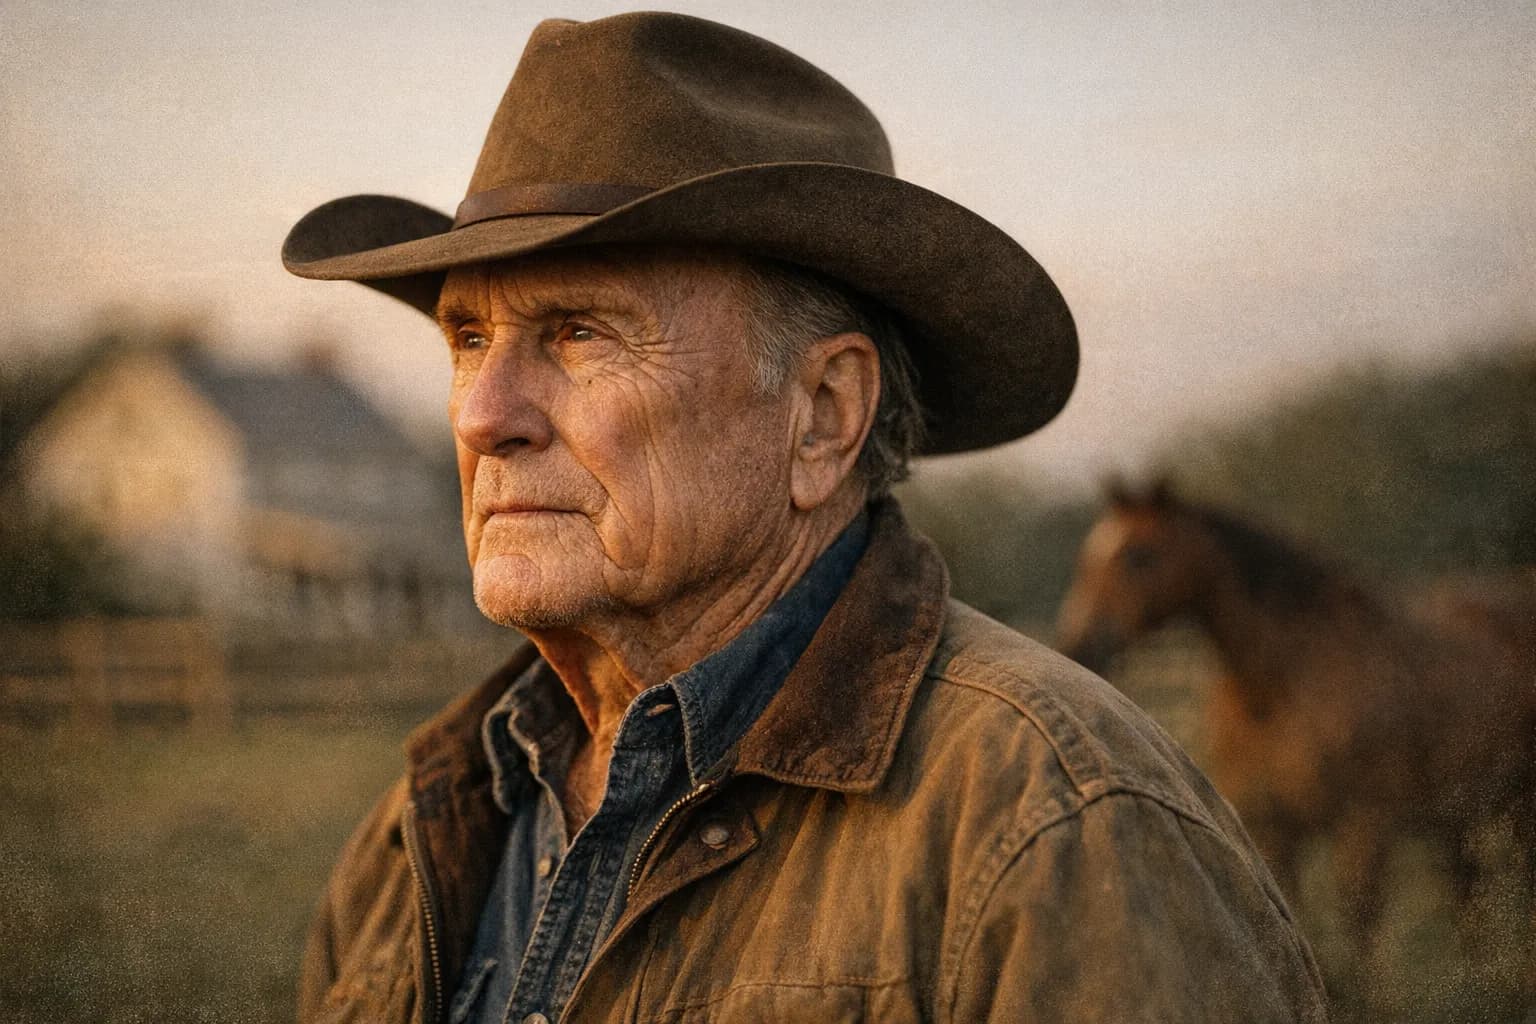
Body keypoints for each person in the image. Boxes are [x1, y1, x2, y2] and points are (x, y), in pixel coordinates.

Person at [282, 12, 1328, 1023]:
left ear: (823, 418)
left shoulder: (1057, 823)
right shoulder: (426, 824)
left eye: (580, 332)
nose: (482, 415)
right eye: (468, 338)